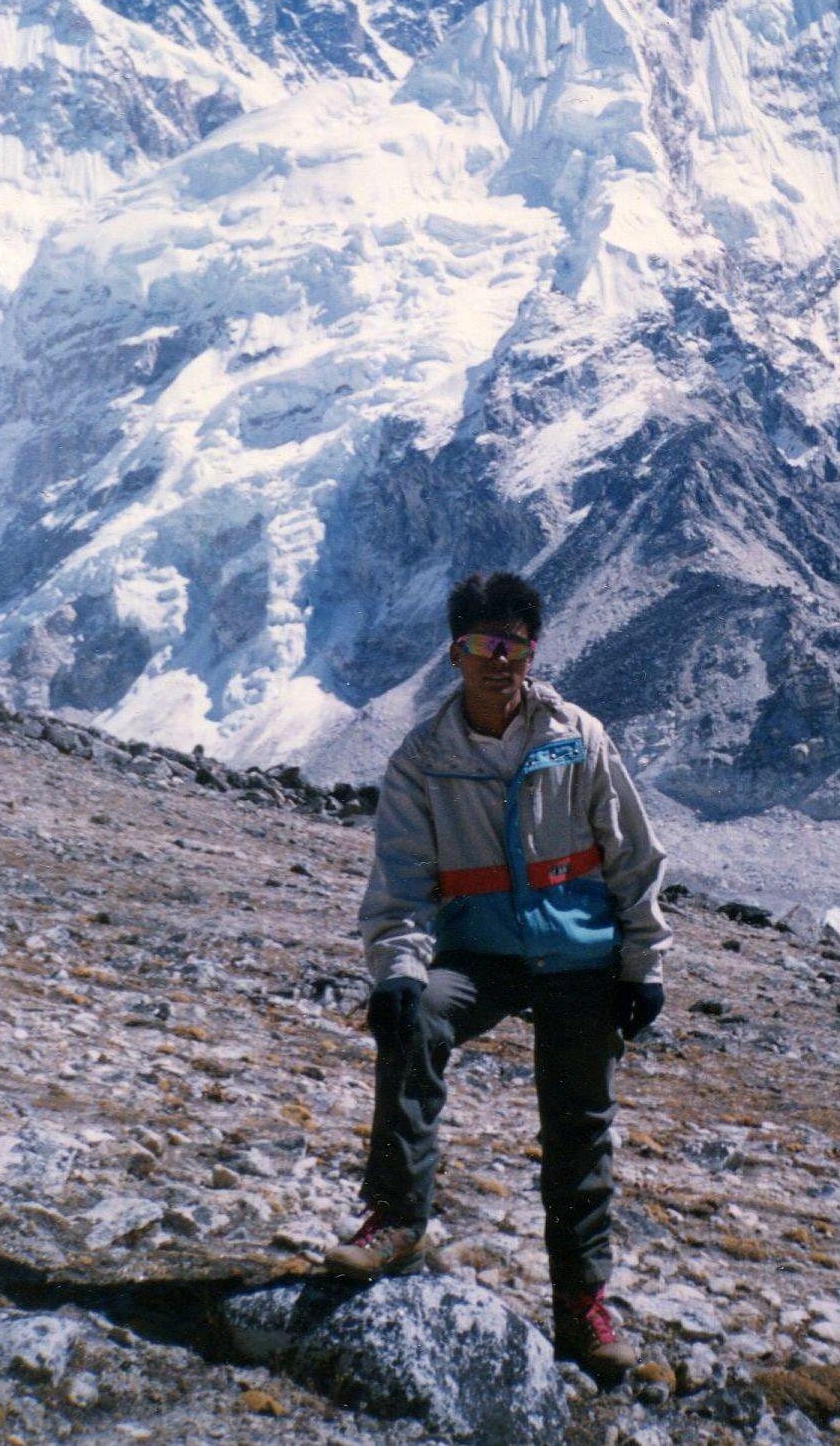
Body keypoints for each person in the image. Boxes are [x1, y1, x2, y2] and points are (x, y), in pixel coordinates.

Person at [323, 569, 671, 1384]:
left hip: (578, 956)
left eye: (511, 642)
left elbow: (635, 859)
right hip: (480, 957)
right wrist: (399, 971)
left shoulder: (578, 737)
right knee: (414, 1019)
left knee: (578, 1128)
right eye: (480, 643)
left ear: (531, 649)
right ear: (454, 653)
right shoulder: (423, 758)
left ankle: (581, 1308)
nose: (497, 658)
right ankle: (400, 1217)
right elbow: (402, 881)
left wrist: (642, 964)